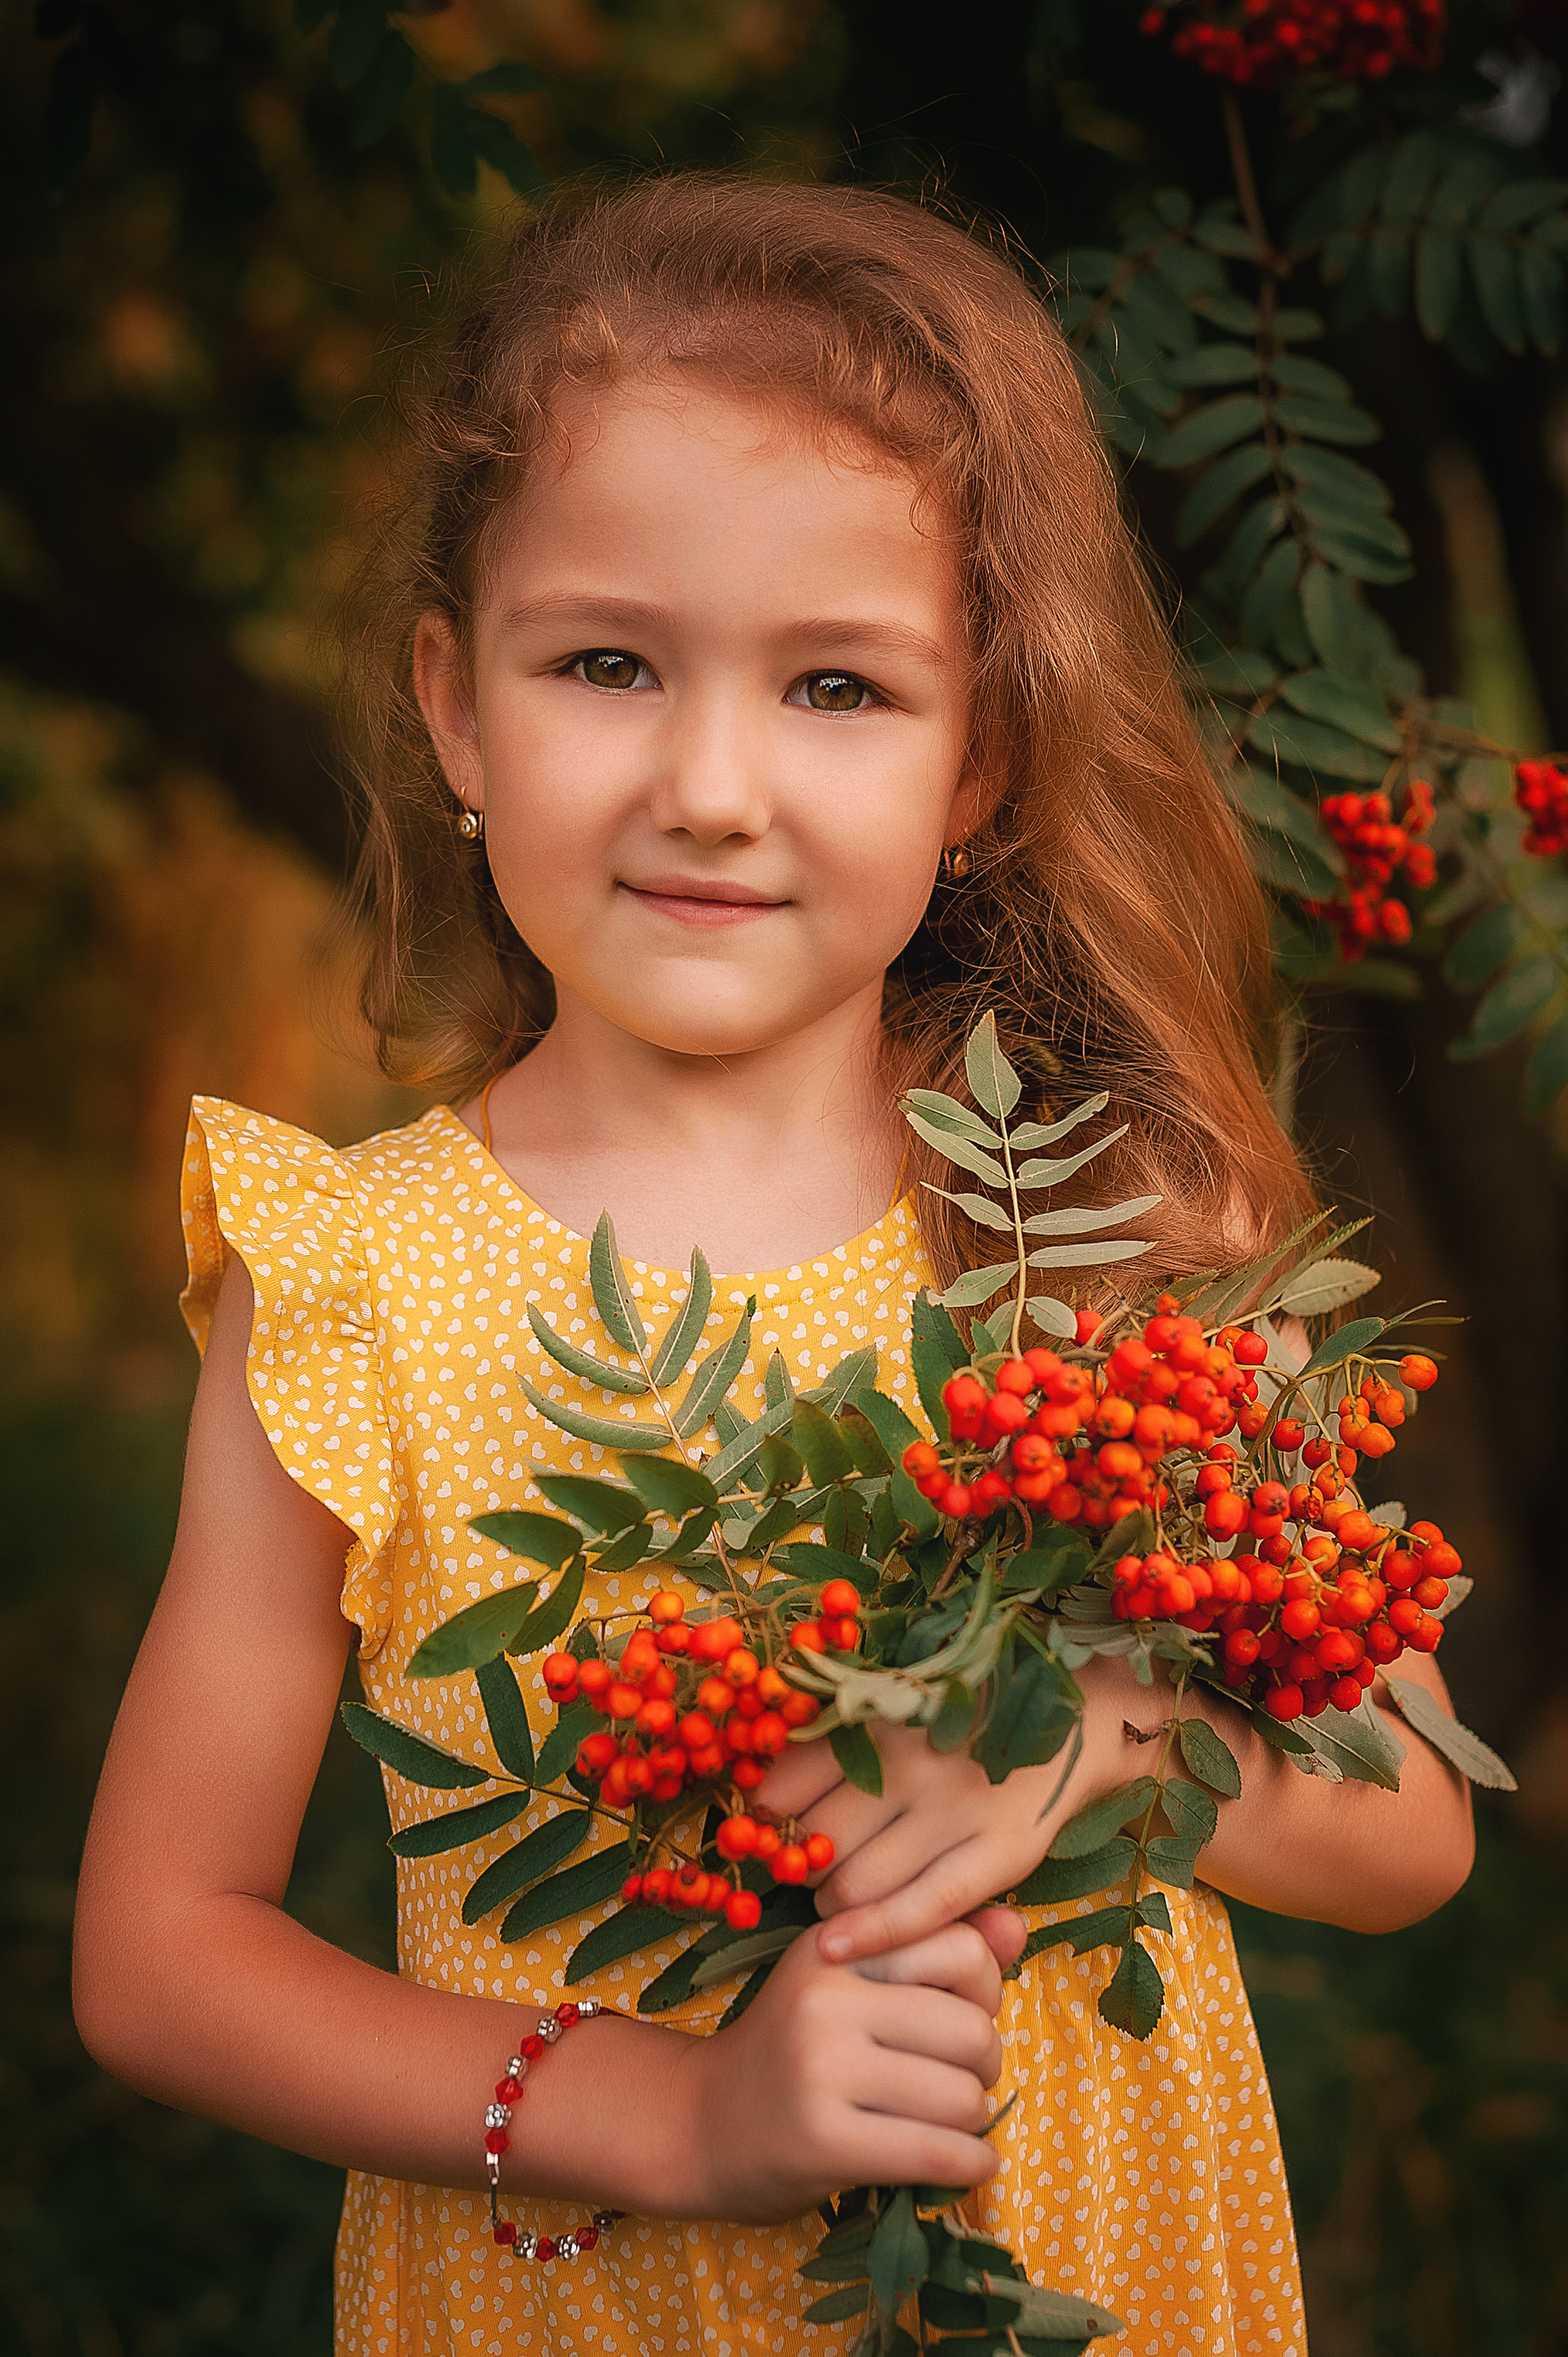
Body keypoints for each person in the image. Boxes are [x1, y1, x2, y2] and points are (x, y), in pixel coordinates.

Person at [73, 175, 1474, 2357]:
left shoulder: (1096, 1233)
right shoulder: (350, 1277)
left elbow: (1411, 1836)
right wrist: (683, 2120)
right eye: (609, 664)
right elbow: (162, 1953)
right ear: (457, 708)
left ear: (980, 759)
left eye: (837, 685)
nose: (712, 785)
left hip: (1094, 2280)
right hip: (577, 2292)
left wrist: (1099, 1736)